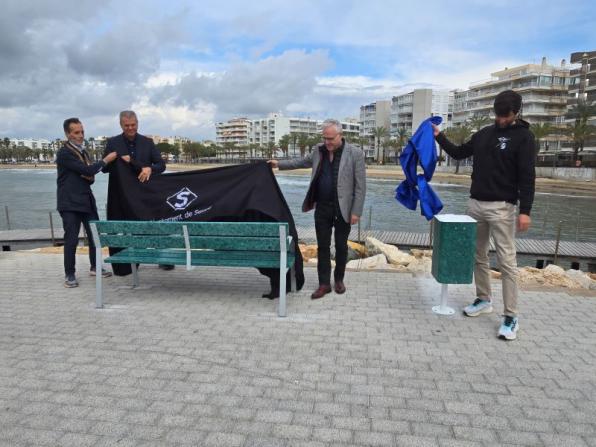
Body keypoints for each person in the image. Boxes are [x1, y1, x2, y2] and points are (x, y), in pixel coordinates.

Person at [432, 90, 536, 341]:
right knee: (478, 255)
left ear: (516, 112)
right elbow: (458, 153)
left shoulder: (524, 137)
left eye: (505, 115)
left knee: (507, 261)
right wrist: (439, 136)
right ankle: (483, 298)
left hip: (503, 207)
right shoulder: (484, 134)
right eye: (498, 115)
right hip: (476, 203)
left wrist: (526, 211)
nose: (501, 119)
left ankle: (511, 316)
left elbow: (527, 176)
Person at [268, 119, 366, 299]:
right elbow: (301, 162)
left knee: (341, 247)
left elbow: (360, 186)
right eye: (325, 138)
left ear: (340, 135)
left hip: (344, 208)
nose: (327, 142)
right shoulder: (318, 150)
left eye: (331, 138)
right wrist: (279, 164)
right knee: (323, 246)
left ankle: (338, 280)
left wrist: (356, 211)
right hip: (322, 207)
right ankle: (323, 284)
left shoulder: (355, 153)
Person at [103, 110, 171, 272]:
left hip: (144, 195)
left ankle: (162, 257)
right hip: (120, 195)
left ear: (137, 123)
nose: (130, 128)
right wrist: (113, 160)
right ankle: (126, 264)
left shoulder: (147, 142)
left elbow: (161, 165)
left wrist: (149, 168)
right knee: (123, 229)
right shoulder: (112, 143)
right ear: (121, 125)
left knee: (153, 227)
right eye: (126, 125)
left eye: (133, 125)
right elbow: (104, 169)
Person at [56, 118, 117, 288]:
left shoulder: (83, 152)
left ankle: (95, 267)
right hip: (69, 203)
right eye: (76, 132)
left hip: (86, 200)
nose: (81, 135)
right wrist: (106, 160)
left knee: (94, 236)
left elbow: (89, 178)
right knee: (71, 240)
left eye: (82, 131)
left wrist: (88, 173)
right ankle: (69, 274)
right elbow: (89, 170)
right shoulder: (64, 153)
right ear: (68, 134)